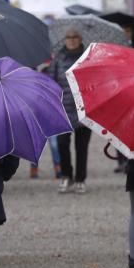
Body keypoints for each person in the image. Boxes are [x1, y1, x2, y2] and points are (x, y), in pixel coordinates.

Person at [50, 29, 91, 193]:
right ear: (64, 39)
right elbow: (51, 81)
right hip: (63, 110)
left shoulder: (88, 57)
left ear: (80, 39)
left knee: (81, 147)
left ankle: (81, 179)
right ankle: (66, 176)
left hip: (83, 109)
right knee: (62, 145)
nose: (72, 40)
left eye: (75, 37)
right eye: (68, 37)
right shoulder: (58, 58)